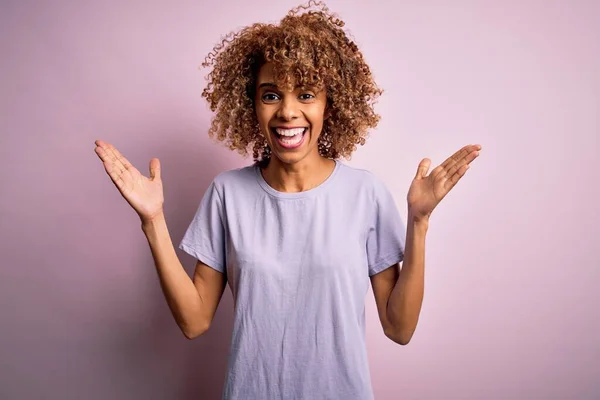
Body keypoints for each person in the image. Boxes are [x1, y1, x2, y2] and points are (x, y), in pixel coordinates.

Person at [94, 1, 481, 399]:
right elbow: (194, 321)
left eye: (307, 94)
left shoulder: (365, 195)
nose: (288, 112)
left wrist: (418, 223)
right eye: (271, 94)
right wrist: (153, 220)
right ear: (252, 104)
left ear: (331, 103)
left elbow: (399, 329)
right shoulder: (227, 194)